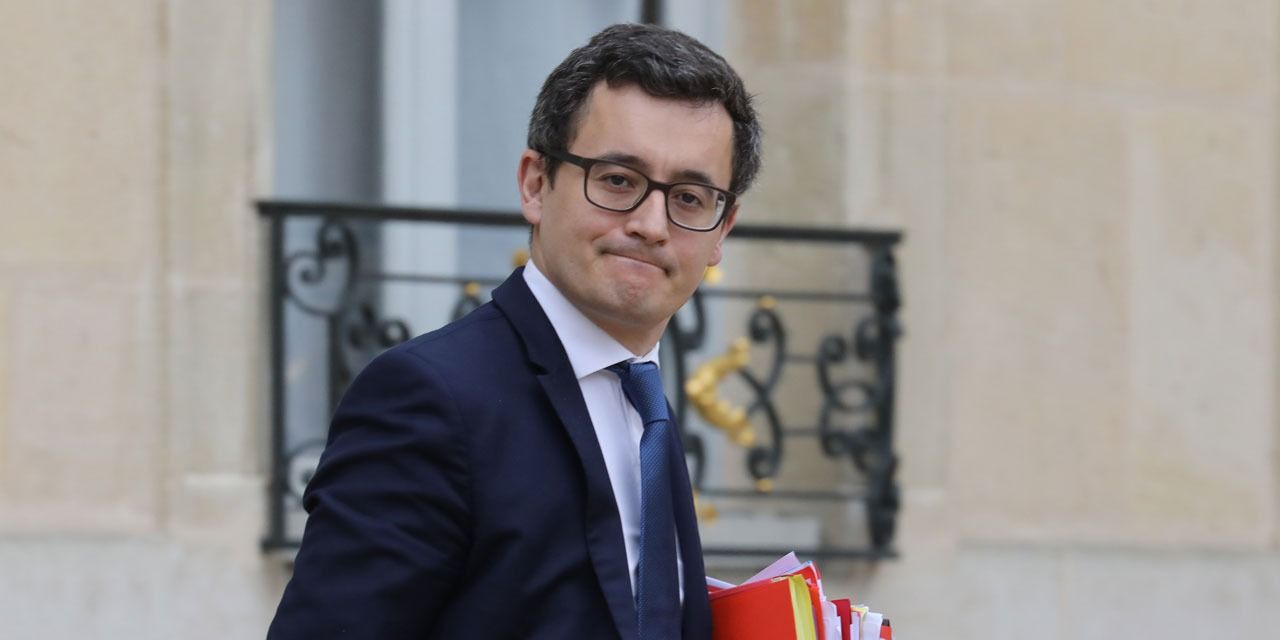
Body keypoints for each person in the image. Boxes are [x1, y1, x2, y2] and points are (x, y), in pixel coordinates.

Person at [267, 22, 762, 639]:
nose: (651, 224)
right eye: (617, 180)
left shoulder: (646, 403)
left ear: (722, 230)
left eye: (689, 197)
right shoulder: (427, 399)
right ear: (535, 184)